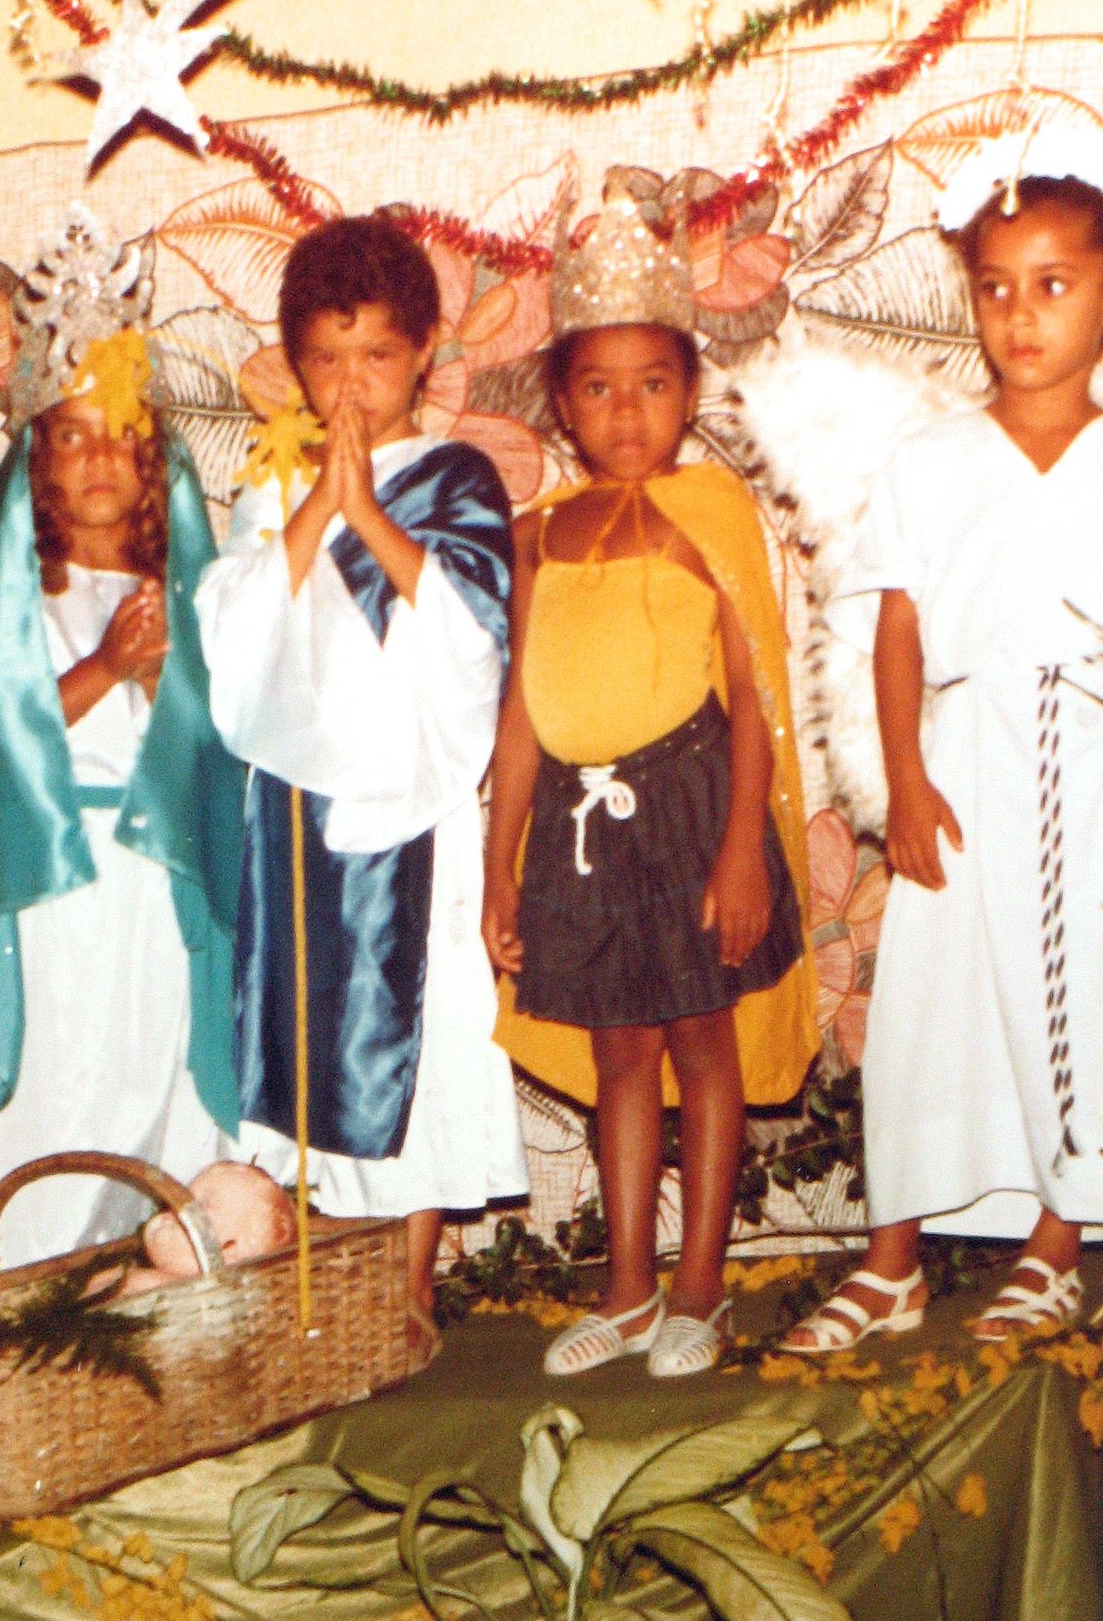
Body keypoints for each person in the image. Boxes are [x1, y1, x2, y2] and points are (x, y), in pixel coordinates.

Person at [484, 181, 818, 1377]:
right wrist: (497, 869)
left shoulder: (710, 513)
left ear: (688, 385)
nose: (626, 413)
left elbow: (753, 703)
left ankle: (697, 1285)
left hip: (689, 810)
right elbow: (520, 715)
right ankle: (624, 1285)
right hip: (576, 823)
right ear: (562, 401)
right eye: (597, 388)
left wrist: (741, 850)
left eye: (653, 385)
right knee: (618, 1051)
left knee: (698, 1038)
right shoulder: (541, 534)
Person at [783, 138, 1103, 1352]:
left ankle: (1054, 1238)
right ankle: (892, 1255)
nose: (1020, 315)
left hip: (1078, 755)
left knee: (1068, 983)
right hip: (964, 755)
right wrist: (905, 778)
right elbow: (897, 624)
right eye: (994, 287)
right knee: (932, 991)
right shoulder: (932, 459)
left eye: (1052, 283)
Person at [197, 214, 526, 1322]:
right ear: (292, 362)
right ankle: (318, 1284)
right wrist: (311, 512)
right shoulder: (268, 489)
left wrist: (365, 515)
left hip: (408, 812)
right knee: (298, 1028)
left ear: (424, 352)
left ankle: (405, 1287)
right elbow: (235, 643)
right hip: (290, 808)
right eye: (325, 359)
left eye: (377, 356)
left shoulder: (454, 475)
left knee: (406, 1038)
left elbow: (470, 635)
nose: (351, 384)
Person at [0, 207, 244, 1276]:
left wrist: (168, 669)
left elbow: (215, 733)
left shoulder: (184, 587)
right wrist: (107, 667)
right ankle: (25, 1283)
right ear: (39, 462)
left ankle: (157, 1277)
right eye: (72, 436)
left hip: (155, 871)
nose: (101, 459)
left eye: (123, 432)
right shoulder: (31, 590)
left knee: (156, 1071)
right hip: (61, 879)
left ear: (154, 454)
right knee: (67, 1082)